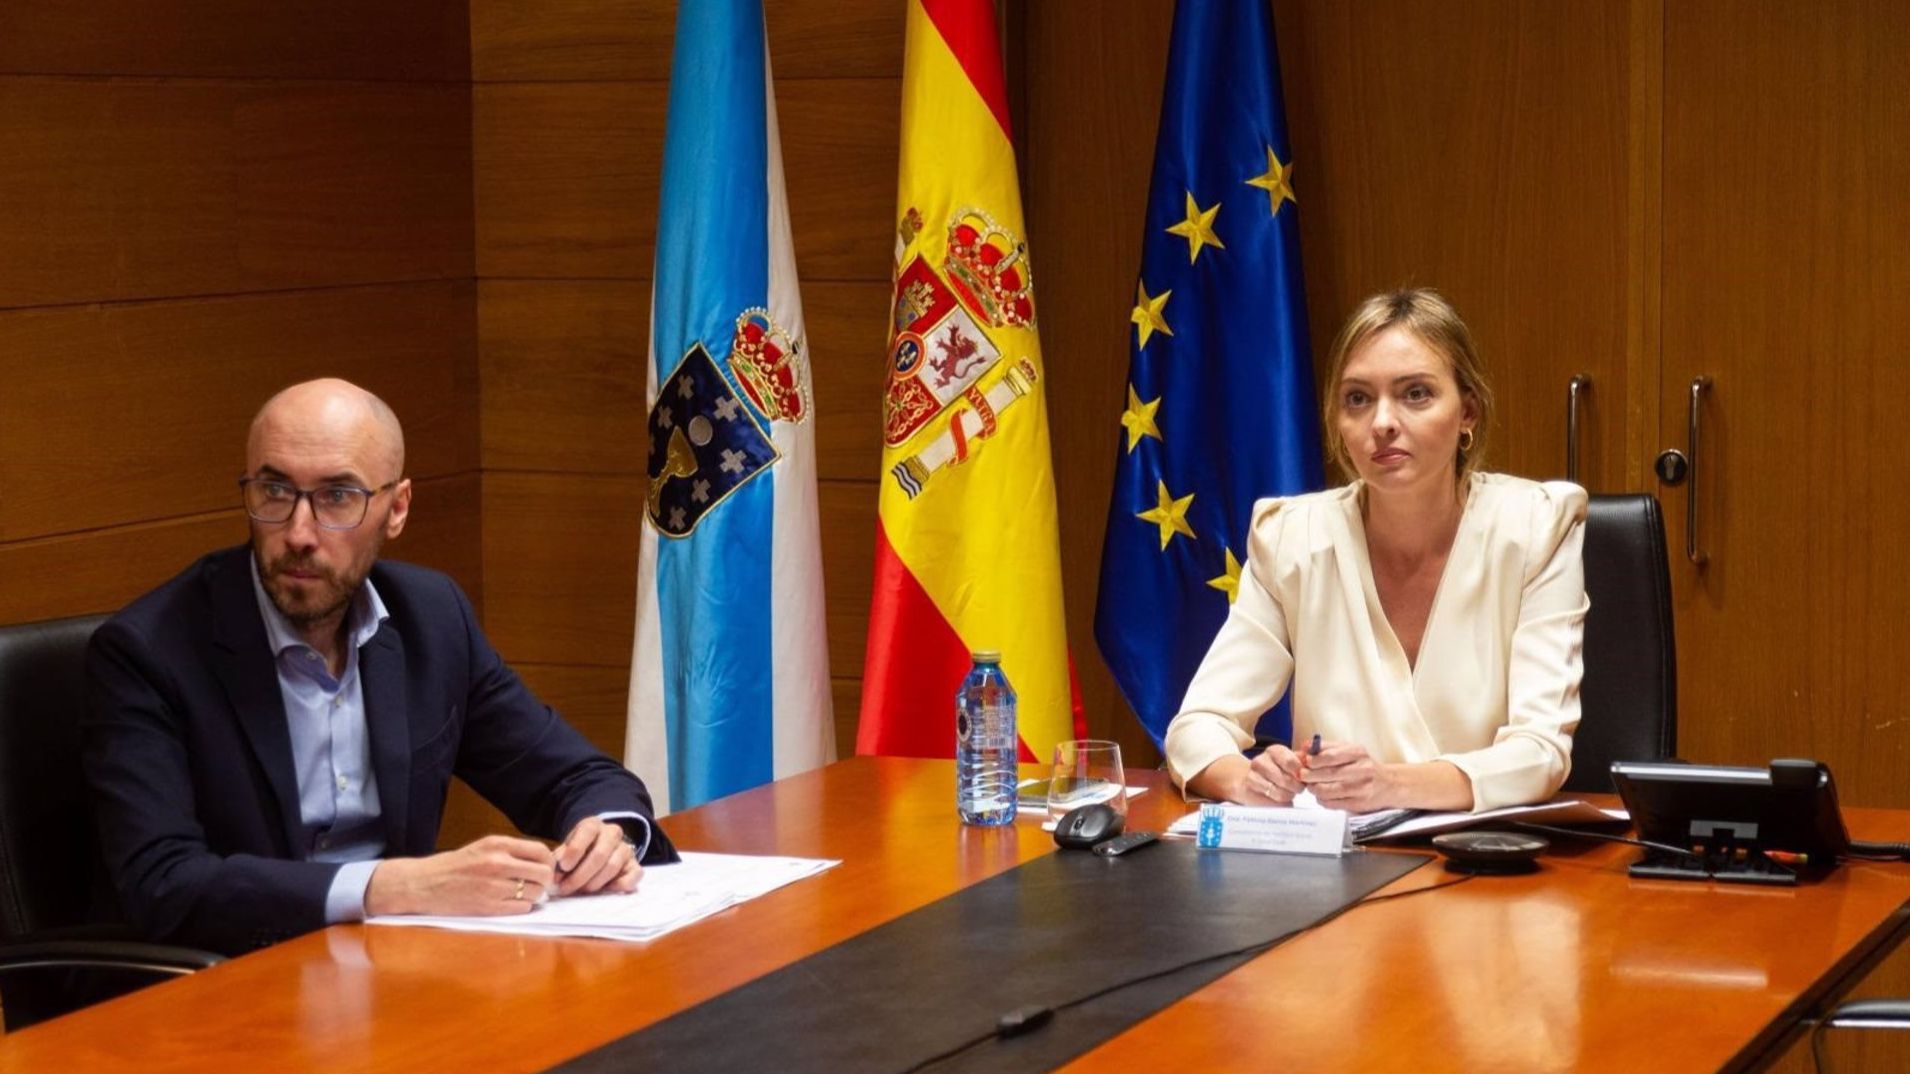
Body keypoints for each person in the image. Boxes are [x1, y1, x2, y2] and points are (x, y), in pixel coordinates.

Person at [83, 378, 677, 954]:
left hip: (392, 960)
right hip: (237, 975)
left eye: (337, 496)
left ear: (396, 509)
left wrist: (607, 836)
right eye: (275, 491)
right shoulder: (149, 651)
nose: (299, 532)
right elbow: (164, 883)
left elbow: (571, 774)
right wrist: (397, 887)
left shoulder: (429, 617)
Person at [1164, 289, 1587, 814]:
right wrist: (1246, 779)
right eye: (1358, 399)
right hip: (1335, 855)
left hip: (1482, 852)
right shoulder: (1292, 538)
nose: (1382, 422)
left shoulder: (1536, 527)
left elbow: (1540, 753)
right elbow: (1196, 726)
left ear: (1468, 412)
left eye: (1415, 394)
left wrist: (1390, 785)